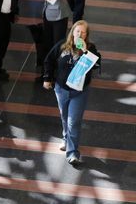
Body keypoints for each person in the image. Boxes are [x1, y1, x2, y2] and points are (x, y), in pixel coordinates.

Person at [42, 20, 101, 167]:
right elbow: (49, 60)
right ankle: (66, 138)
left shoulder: (91, 49)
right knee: (64, 116)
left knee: (73, 121)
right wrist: (47, 78)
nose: (79, 34)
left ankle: (73, 153)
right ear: (72, 32)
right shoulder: (62, 46)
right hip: (61, 90)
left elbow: (98, 65)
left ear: (86, 35)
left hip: (79, 92)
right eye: (77, 31)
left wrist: (86, 51)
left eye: (83, 32)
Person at [39, 0, 72, 68]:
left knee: (58, 42)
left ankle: (58, 64)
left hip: (59, 15)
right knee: (48, 40)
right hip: (48, 13)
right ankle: (50, 63)